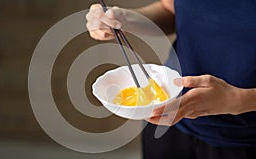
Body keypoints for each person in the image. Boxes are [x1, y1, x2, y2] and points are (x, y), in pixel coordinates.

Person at [86, 0, 256, 158]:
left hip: (243, 138)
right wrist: (126, 19)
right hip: (168, 121)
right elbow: (170, 9)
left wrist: (238, 100)